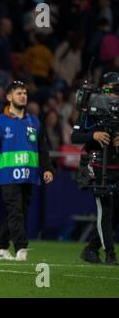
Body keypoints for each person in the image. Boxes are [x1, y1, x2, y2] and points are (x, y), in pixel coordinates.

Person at [0, 80, 53, 261]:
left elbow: (43, 148)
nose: (23, 96)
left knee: (18, 212)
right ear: (9, 97)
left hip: (29, 175)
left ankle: (1, 247)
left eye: (25, 93)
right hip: (8, 175)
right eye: (19, 93)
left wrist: (47, 169)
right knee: (15, 211)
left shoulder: (35, 122)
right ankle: (21, 248)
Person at [72, 72, 119, 265]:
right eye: (114, 91)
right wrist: (94, 135)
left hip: (116, 164)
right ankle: (110, 254)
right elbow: (75, 137)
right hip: (98, 164)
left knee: (114, 214)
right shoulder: (90, 109)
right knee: (105, 211)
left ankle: (91, 249)